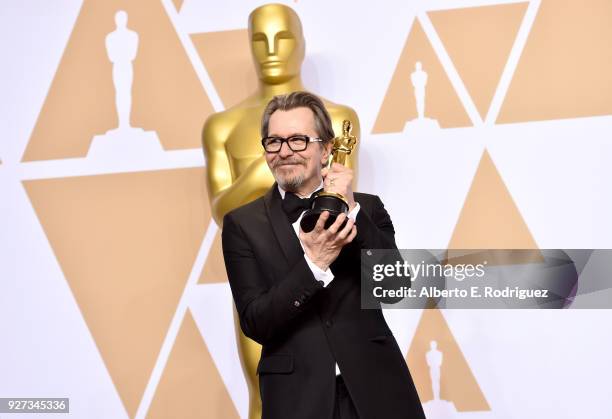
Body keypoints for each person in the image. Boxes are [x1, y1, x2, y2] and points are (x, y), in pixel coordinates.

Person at [222, 91, 425, 419]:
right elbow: (256, 321)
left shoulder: (368, 208)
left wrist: (353, 211)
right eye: (274, 142)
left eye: (299, 140)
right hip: (297, 401)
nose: (285, 152)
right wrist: (314, 264)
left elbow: (394, 288)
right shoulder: (242, 225)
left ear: (327, 148)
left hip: (378, 391)